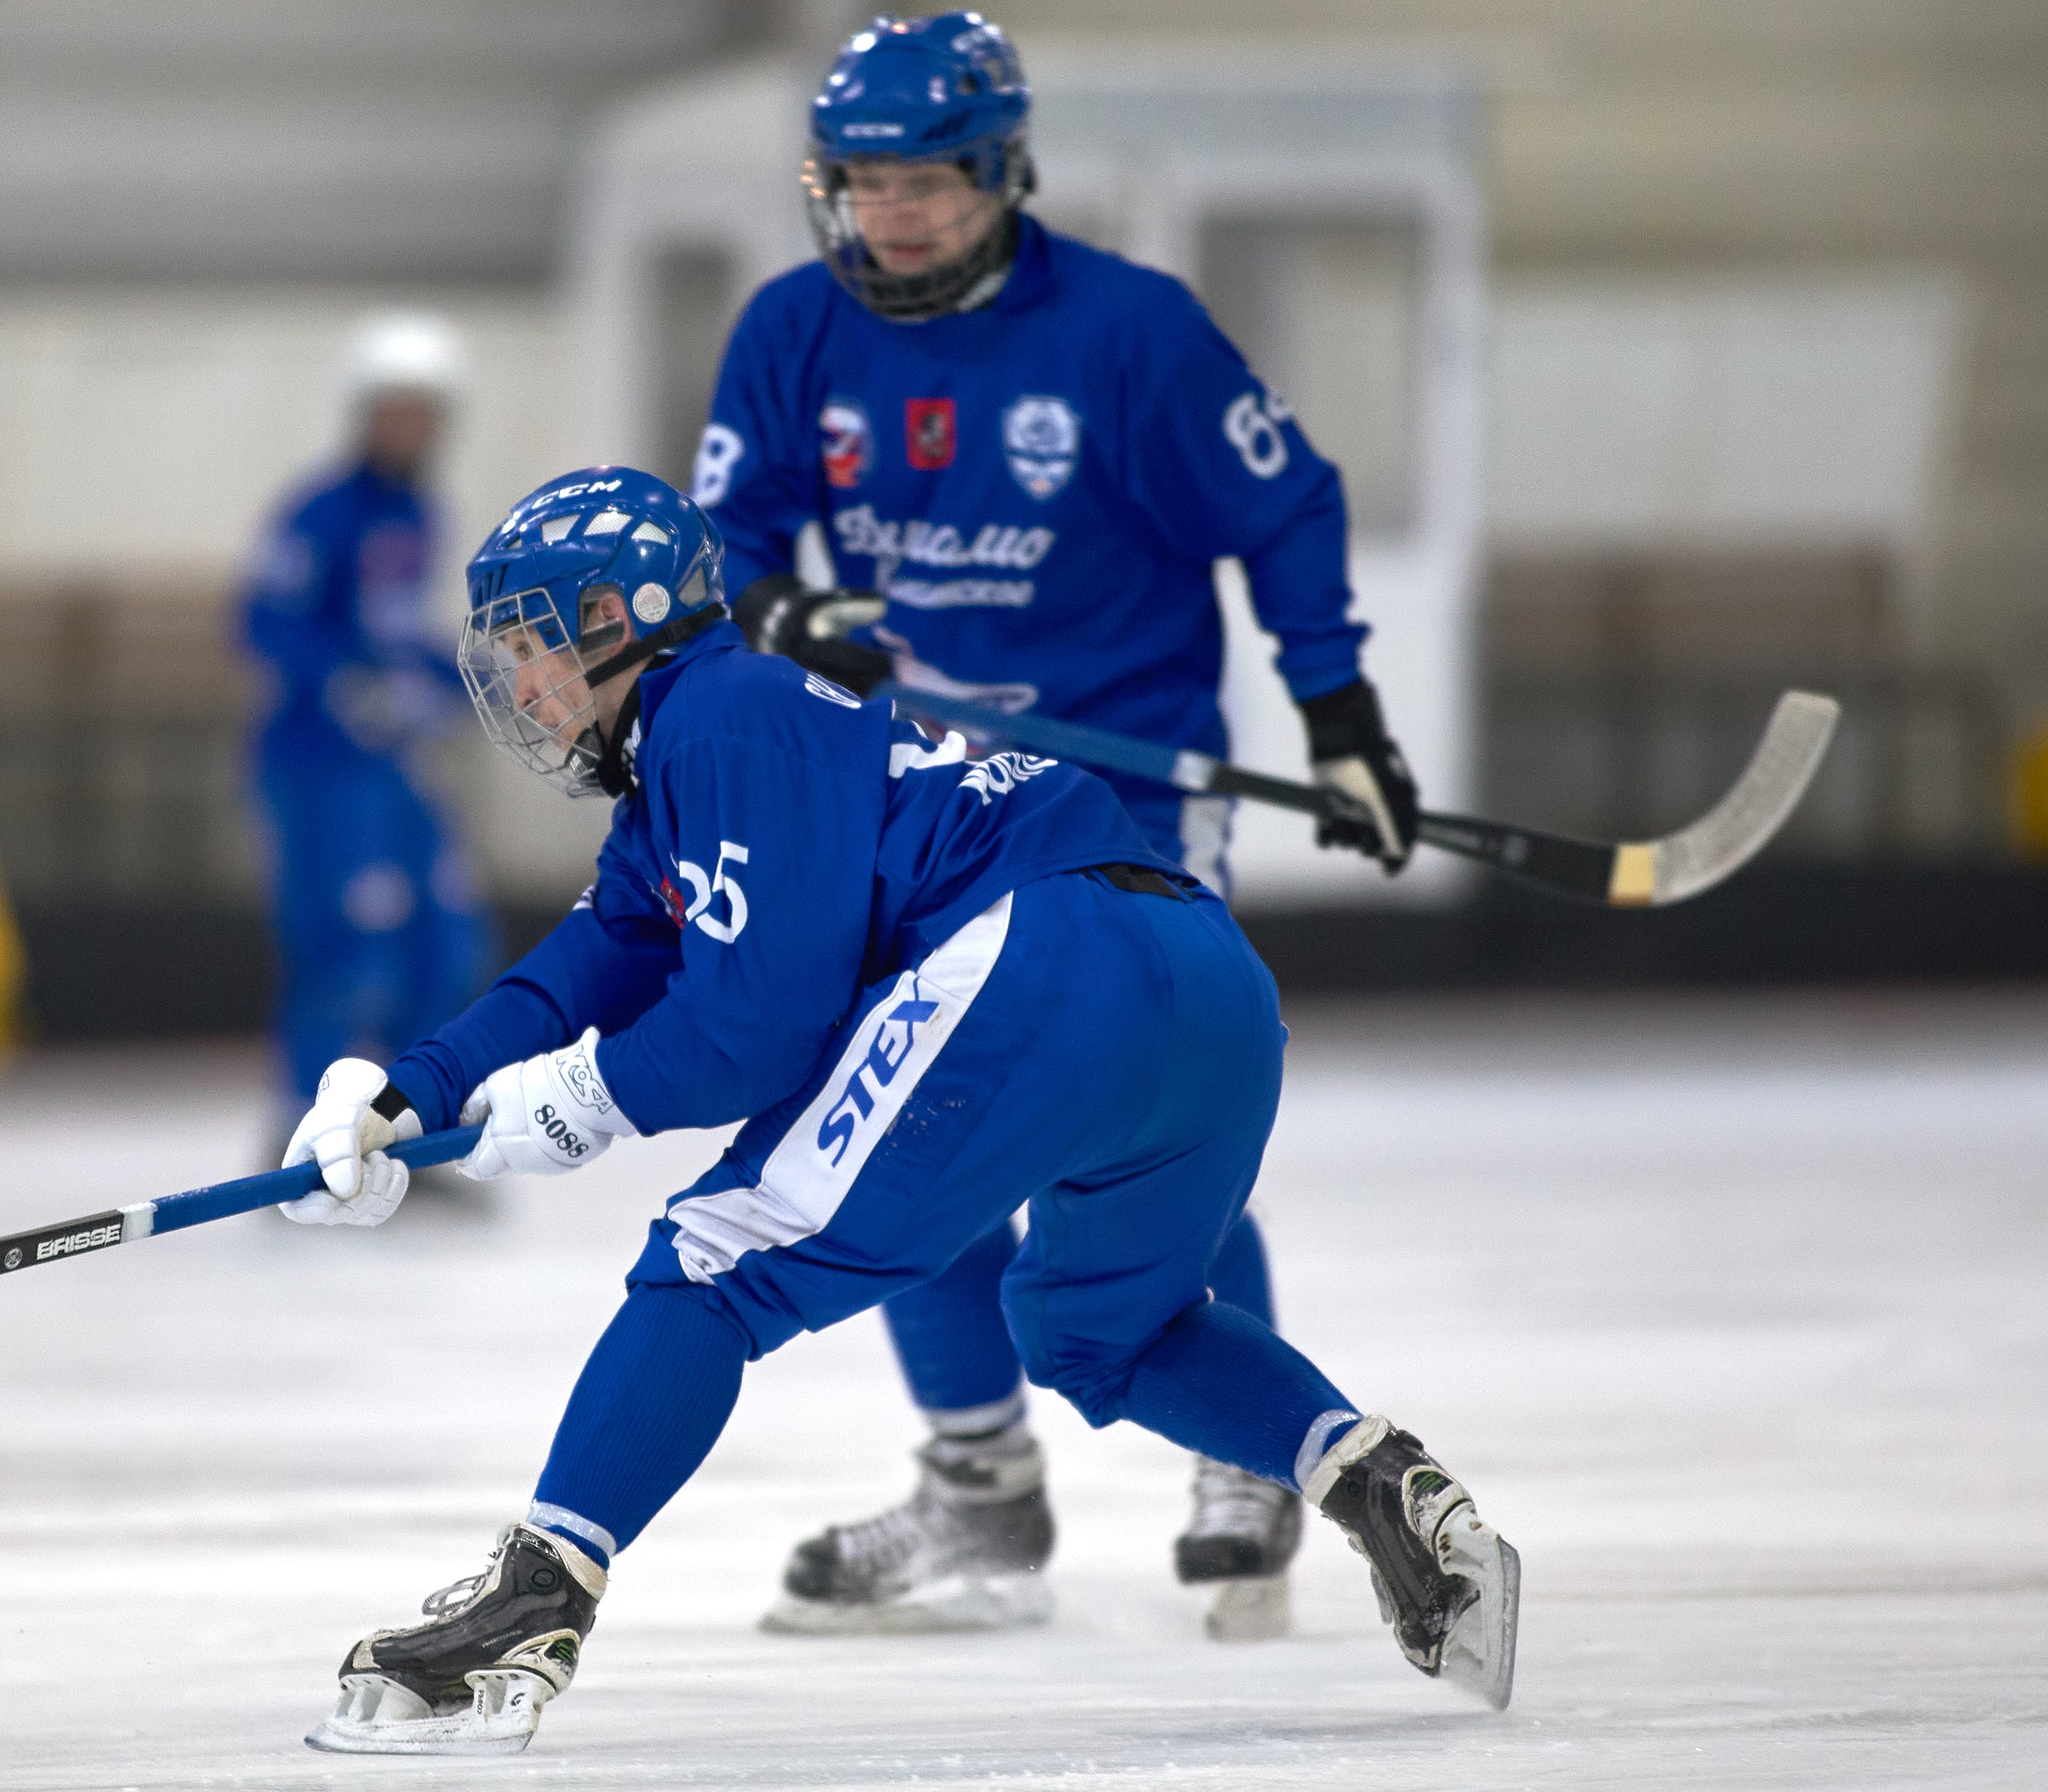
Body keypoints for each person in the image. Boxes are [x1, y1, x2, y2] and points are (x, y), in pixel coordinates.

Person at [280, 465, 1518, 1756]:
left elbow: (753, 1035)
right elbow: (599, 954)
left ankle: (534, 1602)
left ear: (618, 619)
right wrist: (406, 1089)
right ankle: (1379, 1480)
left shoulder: (723, 716)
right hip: (1202, 983)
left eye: (537, 648)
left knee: (709, 1267)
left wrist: (584, 1097)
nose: (522, 690)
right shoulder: (706, 752)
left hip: (1040, 960)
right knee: (1109, 1332)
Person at [689, 11, 1424, 1639]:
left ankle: (1241, 1459)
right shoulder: (791, 332)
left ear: (1006, 171)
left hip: (1127, 799)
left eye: (933, 182)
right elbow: (722, 547)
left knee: (1152, 1123)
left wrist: (1342, 712)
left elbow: (1285, 504)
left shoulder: (1131, 335)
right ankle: (980, 1491)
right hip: (919, 810)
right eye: (863, 182)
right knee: (886, 1126)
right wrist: (780, 610)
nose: (896, 214)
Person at [238, 313, 488, 1158]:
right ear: (363, 412)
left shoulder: (418, 513)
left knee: (444, 943)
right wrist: (347, 685)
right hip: (320, 770)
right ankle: (307, 1133)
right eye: (394, 409)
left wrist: (476, 686)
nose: (409, 428)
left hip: (394, 770)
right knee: (345, 951)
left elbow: (399, 636)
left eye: (424, 411)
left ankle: (414, 1131)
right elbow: (263, 623)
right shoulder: (319, 511)